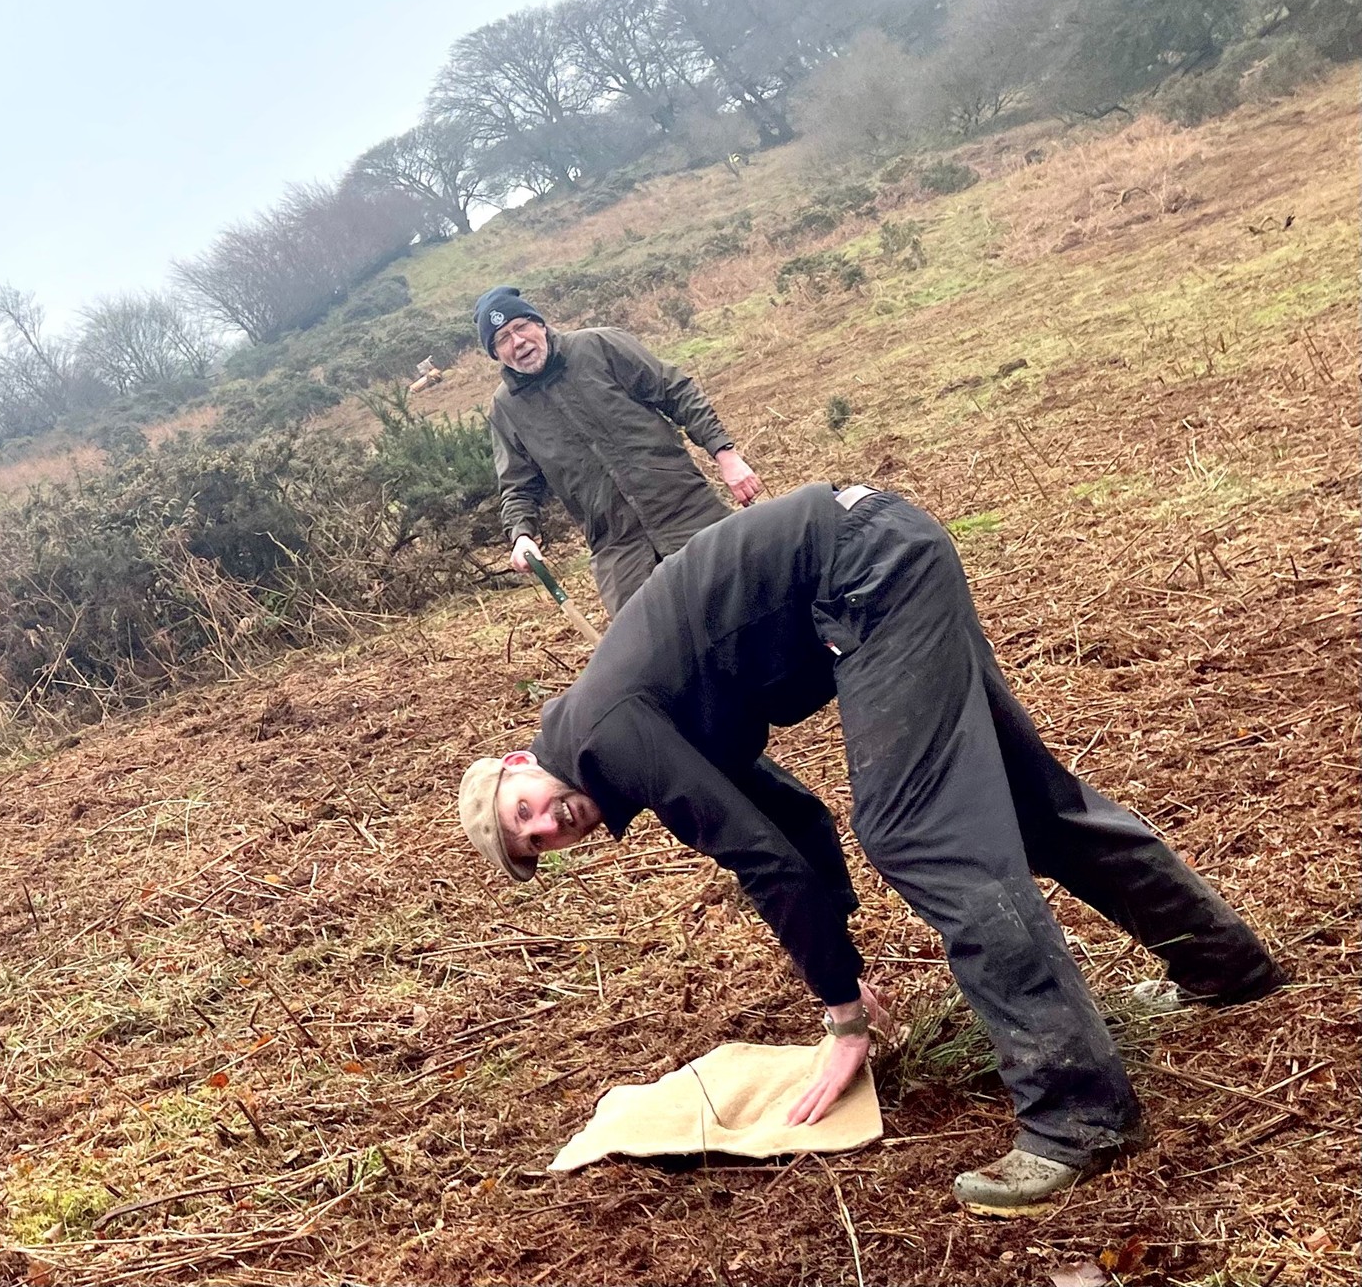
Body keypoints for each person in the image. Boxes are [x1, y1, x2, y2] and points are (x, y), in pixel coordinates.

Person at [455, 484, 1282, 1216]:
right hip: (877, 548)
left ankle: (1078, 1116)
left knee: (919, 834)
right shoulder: (619, 735)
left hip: (864, 575)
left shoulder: (608, 735)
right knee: (1033, 806)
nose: (546, 826)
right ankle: (1222, 966)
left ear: (522, 763)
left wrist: (843, 1012)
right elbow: (795, 823)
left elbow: (764, 862)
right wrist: (843, 958)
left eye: (522, 810)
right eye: (534, 843)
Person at [477, 285, 763, 619]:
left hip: (688, 511)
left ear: (539, 324)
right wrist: (521, 535)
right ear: (496, 355)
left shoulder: (600, 345)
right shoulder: (505, 409)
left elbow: (676, 391)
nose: (518, 342)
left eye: (520, 327)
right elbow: (517, 485)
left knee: (754, 603)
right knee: (654, 653)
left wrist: (725, 454)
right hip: (617, 548)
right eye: (502, 339)